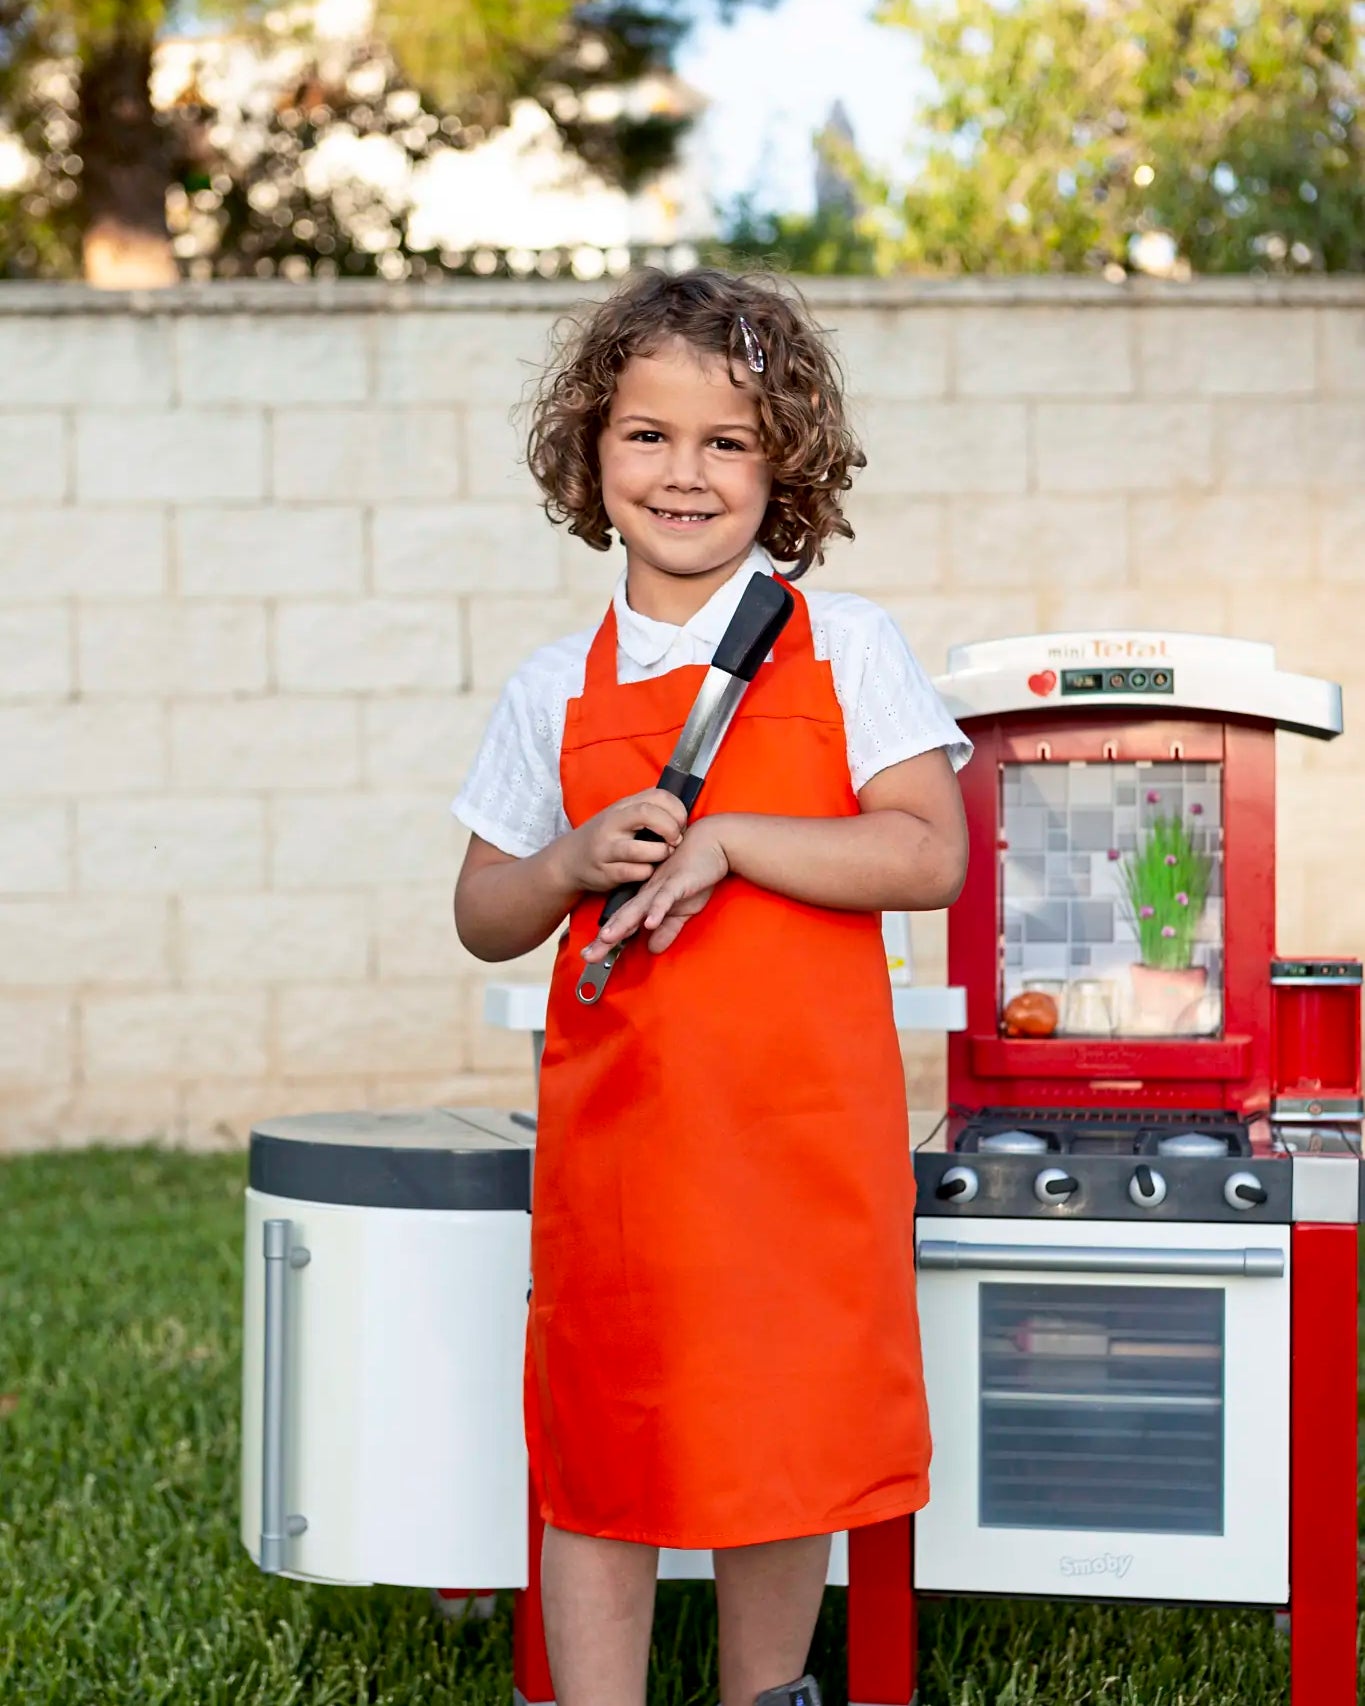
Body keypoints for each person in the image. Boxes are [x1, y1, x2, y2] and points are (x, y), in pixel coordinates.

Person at [451, 267, 971, 1706]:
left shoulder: (847, 644)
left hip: (798, 1142)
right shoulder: (552, 686)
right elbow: (483, 913)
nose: (684, 472)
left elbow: (928, 851)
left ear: (783, 461)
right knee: (602, 1437)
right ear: (588, 453)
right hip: (624, 1147)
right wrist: (563, 860)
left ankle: (766, 1693)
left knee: (785, 1430)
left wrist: (735, 839)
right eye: (647, 434)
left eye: (726, 440)